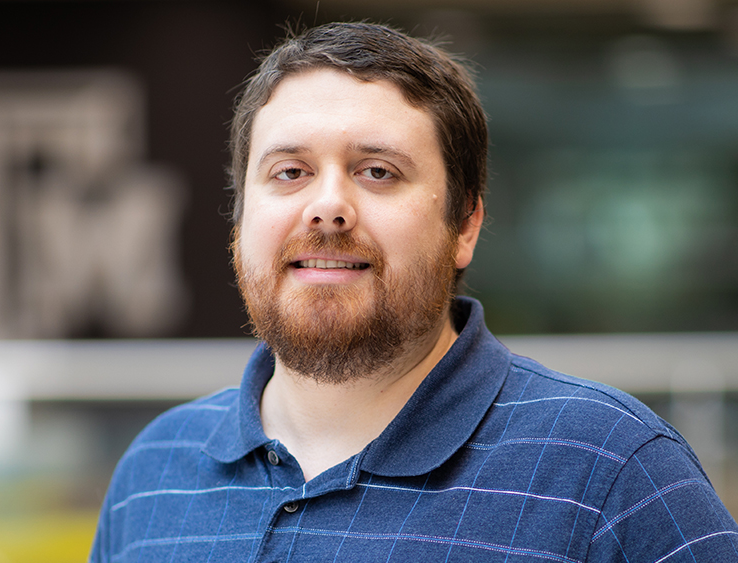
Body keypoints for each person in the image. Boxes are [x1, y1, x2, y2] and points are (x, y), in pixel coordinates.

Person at [90, 22, 738, 562]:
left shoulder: (613, 471)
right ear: (240, 215)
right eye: (289, 172)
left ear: (465, 226)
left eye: (378, 171)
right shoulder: (151, 474)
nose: (327, 206)